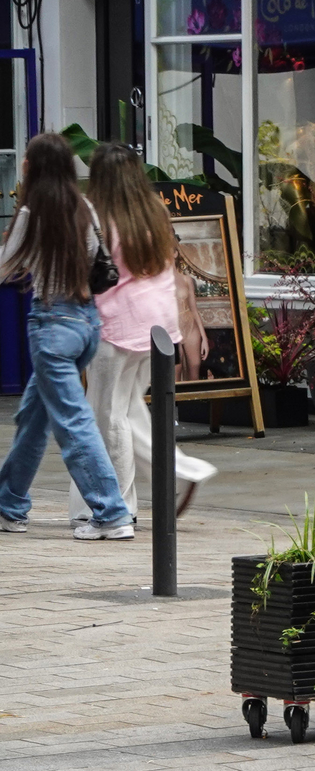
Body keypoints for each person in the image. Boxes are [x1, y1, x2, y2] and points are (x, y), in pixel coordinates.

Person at [0, 132, 137, 539]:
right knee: (33, 417)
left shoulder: (32, 214)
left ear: (32, 166)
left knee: (73, 422)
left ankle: (110, 513)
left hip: (51, 326)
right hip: (86, 324)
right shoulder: (85, 208)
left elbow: (6, 265)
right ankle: (9, 505)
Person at [85, 144, 216, 519]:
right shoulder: (156, 211)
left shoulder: (101, 218)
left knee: (109, 418)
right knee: (127, 412)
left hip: (117, 326)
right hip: (159, 328)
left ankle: (120, 508)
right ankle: (184, 470)